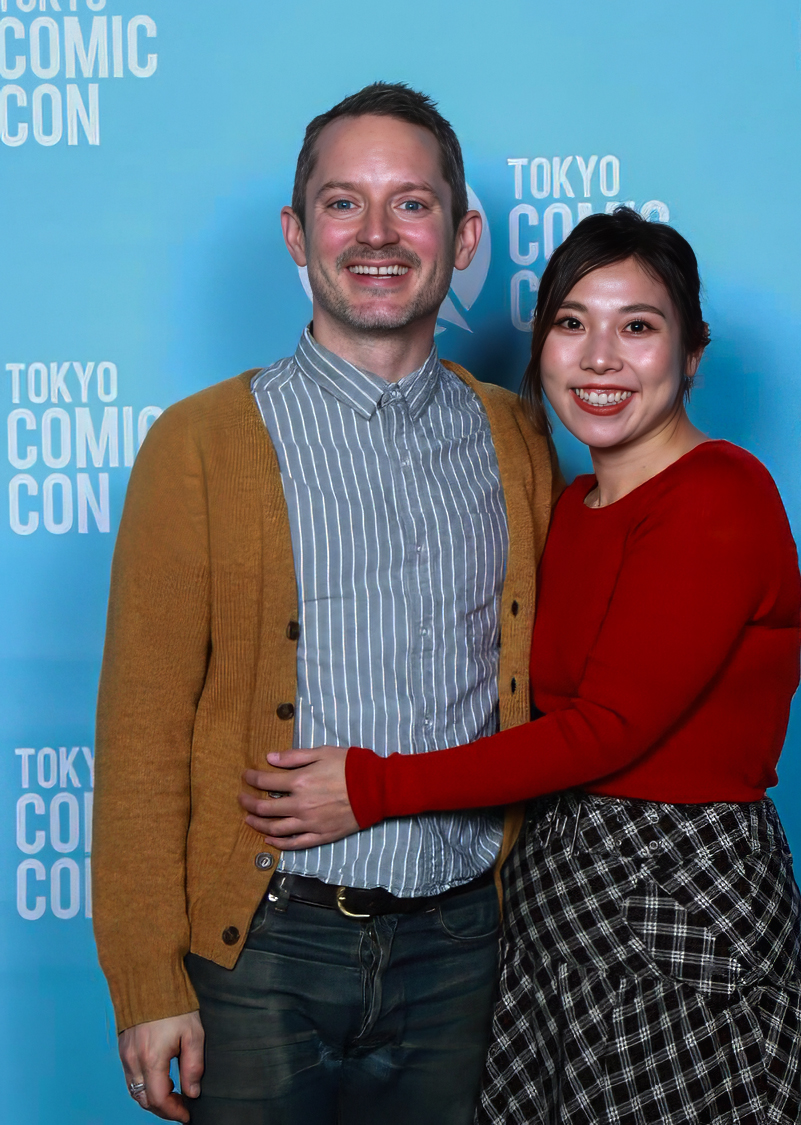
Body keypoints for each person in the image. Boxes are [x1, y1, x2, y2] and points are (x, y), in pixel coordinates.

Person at [246, 209, 801, 1124]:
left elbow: (605, 730)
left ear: (691, 354)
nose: (600, 357)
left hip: (677, 897)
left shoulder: (719, 496)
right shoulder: (574, 503)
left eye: (637, 326)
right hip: (557, 898)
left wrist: (373, 786)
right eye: (572, 322)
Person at [92, 82, 556, 1125]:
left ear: (463, 236)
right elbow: (140, 731)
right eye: (344, 202)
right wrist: (147, 981)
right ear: (298, 234)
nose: (378, 233)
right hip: (262, 946)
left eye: (412, 203)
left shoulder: (520, 439)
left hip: (465, 950)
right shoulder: (200, 444)